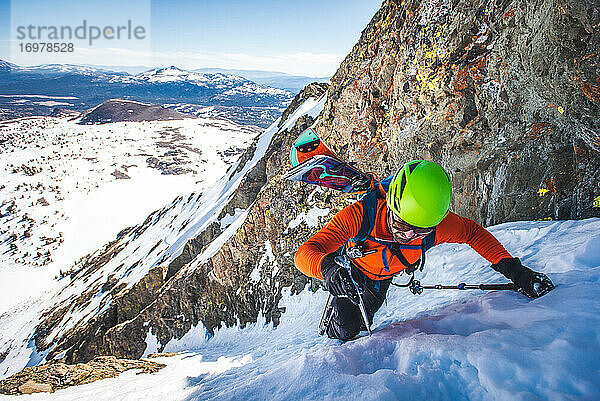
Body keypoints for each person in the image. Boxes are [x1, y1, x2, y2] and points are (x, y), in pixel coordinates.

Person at [294, 160, 554, 340]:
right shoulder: (362, 216)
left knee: (362, 326)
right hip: (355, 274)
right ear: (391, 206)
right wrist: (327, 269)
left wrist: (517, 272)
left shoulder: (437, 225)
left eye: (420, 231)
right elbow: (305, 253)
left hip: (381, 279)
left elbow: (473, 234)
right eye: (403, 225)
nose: (408, 237)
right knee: (345, 330)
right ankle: (334, 325)